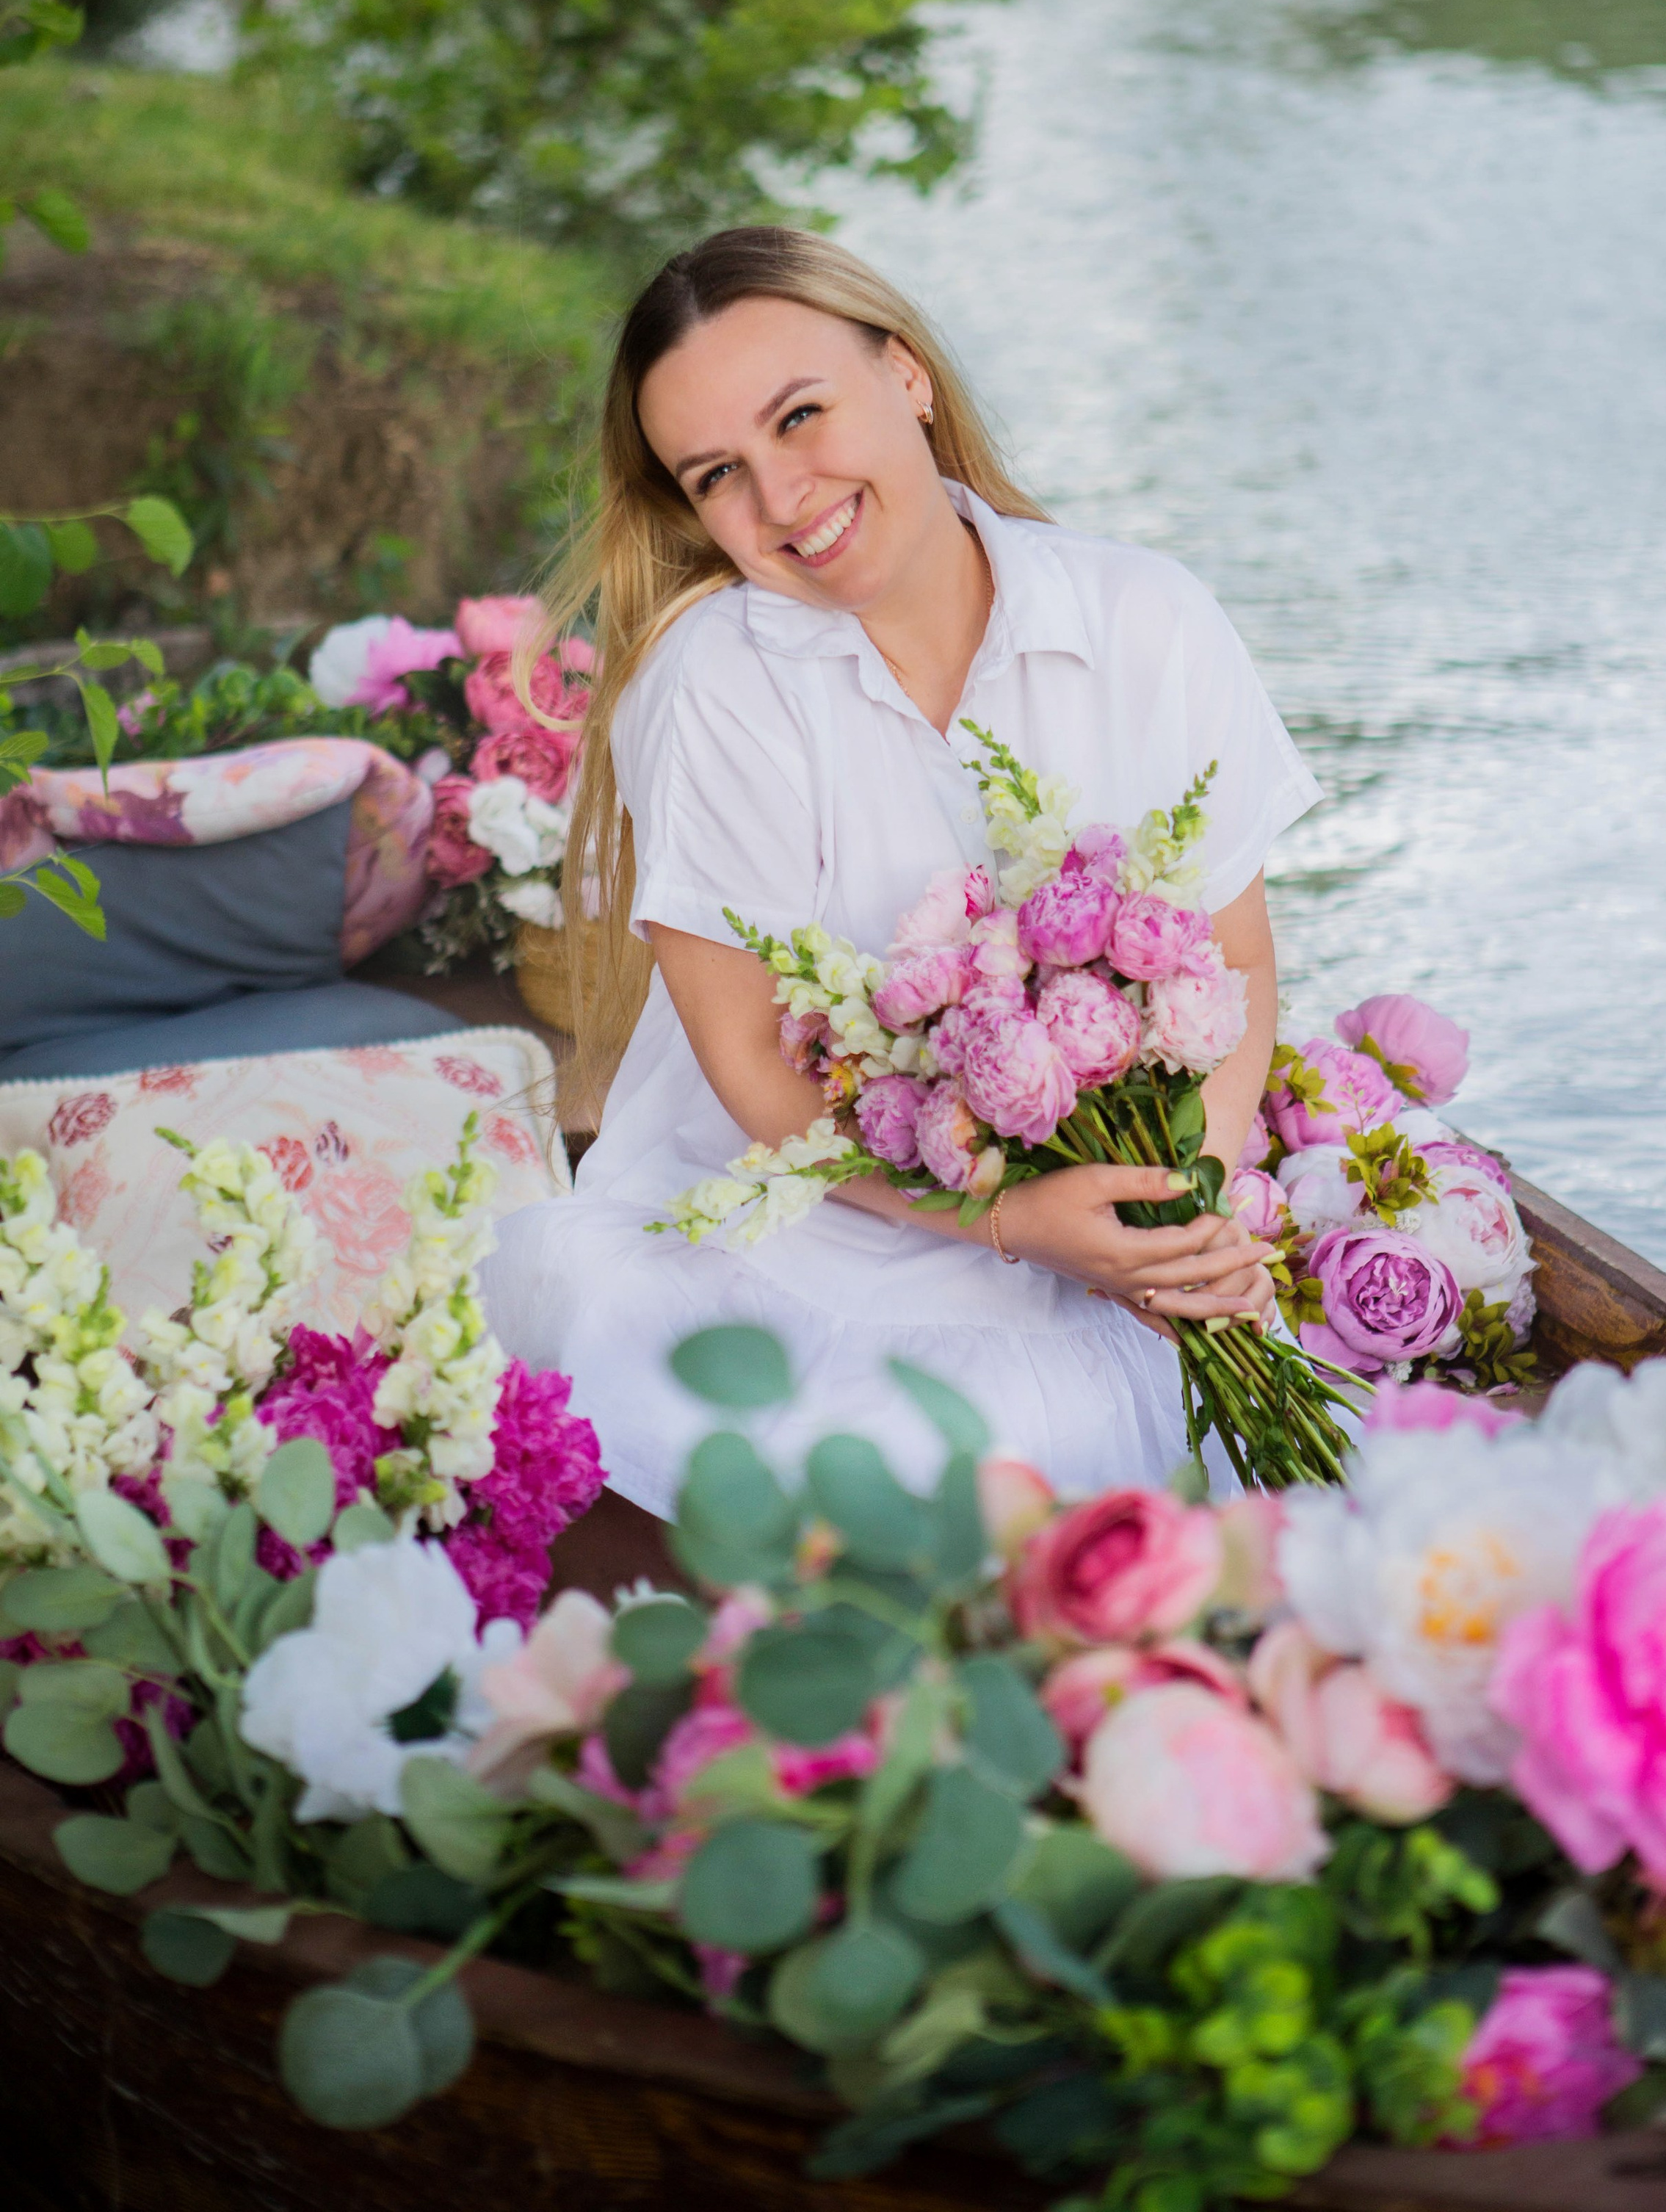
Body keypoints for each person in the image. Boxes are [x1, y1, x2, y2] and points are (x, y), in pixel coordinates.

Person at [482, 228, 1321, 1516]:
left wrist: (1180, 1220)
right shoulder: (714, 689)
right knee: (917, 1456)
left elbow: (1236, 962)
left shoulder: (1147, 619)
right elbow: (759, 1069)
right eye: (719, 475)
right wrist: (1009, 1224)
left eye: (801, 416)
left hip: (1117, 1200)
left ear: (909, 376)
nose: (781, 500)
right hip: (816, 1223)